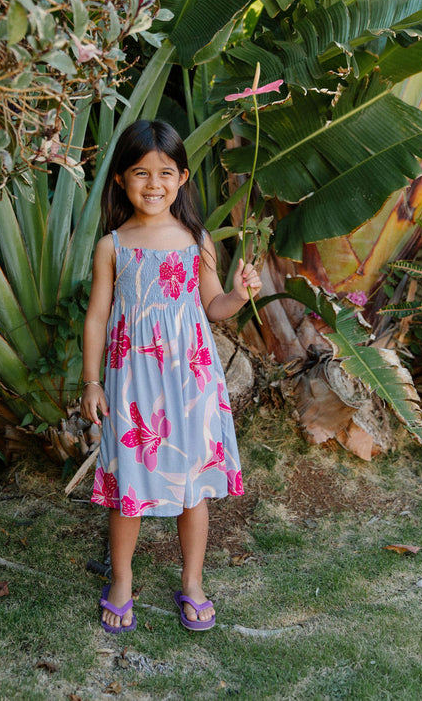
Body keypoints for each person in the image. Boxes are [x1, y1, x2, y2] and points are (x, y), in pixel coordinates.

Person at [80, 120, 262, 634]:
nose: (153, 183)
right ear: (121, 179)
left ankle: (194, 580)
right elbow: (97, 315)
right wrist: (91, 381)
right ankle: (120, 579)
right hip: (133, 382)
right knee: (127, 486)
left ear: (182, 178)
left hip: (190, 381)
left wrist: (241, 293)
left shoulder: (195, 239)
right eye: (141, 172)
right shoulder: (112, 245)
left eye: (165, 172)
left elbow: (213, 305)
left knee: (193, 487)